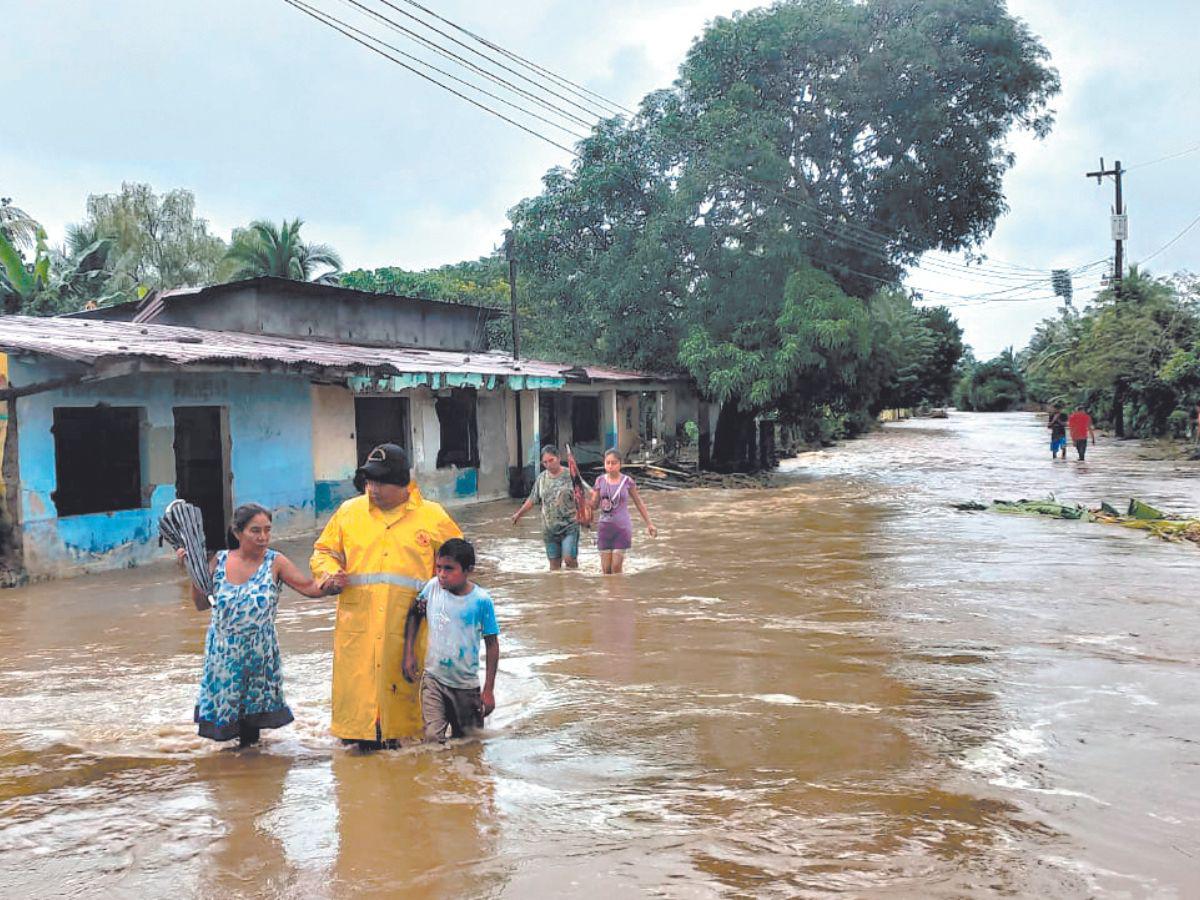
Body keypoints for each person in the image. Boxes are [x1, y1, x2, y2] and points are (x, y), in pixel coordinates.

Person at [310, 443, 462, 749]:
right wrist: (328, 574)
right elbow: (323, 552)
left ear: (402, 484)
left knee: (410, 732)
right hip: (359, 629)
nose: (372, 489)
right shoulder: (349, 512)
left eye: (380, 482)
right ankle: (358, 738)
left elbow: (460, 565)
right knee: (356, 733)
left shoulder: (432, 516)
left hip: (411, 630)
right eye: (369, 481)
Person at [185, 503, 341, 747]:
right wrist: (193, 574)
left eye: (267, 530)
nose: (263, 537)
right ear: (237, 533)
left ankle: (252, 765)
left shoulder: (275, 562)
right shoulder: (219, 561)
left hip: (261, 653)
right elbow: (201, 604)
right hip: (224, 654)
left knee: (251, 730)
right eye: (255, 531)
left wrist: (331, 585)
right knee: (225, 726)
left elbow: (308, 588)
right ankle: (236, 774)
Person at [401, 538, 499, 742]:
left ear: (468, 570)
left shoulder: (481, 601)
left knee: (469, 743)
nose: (441, 574)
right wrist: (408, 653)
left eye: (449, 569)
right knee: (432, 737)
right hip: (434, 679)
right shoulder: (432, 588)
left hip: (465, 685)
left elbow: (492, 645)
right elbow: (414, 613)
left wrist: (488, 690)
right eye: (438, 567)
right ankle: (438, 773)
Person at [510, 444, 585, 570]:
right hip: (549, 529)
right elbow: (532, 499)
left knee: (569, 559)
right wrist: (519, 514)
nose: (549, 464)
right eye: (545, 462)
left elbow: (582, 496)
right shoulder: (541, 478)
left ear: (559, 458)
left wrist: (585, 514)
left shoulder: (571, 475)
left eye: (551, 460)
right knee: (554, 568)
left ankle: (575, 585)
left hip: (570, 526)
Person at [589, 448, 657, 575]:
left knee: (616, 567)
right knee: (606, 570)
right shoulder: (600, 481)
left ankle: (619, 593)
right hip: (604, 528)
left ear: (620, 464)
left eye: (614, 463)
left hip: (622, 528)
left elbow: (639, 502)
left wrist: (649, 524)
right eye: (607, 462)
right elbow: (594, 505)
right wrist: (588, 501)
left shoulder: (627, 481)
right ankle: (609, 594)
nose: (610, 466)